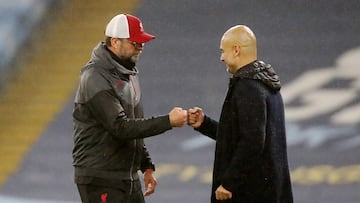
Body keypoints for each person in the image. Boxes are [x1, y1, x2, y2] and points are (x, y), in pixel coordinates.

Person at [72, 14, 187, 203]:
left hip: (124, 177)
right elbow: (120, 127)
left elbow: (134, 124)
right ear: (115, 42)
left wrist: (146, 165)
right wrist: (168, 121)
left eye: (142, 43)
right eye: (135, 43)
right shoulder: (95, 77)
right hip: (101, 177)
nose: (141, 48)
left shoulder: (128, 73)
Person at [188, 25, 293, 203]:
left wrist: (229, 182)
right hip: (271, 191)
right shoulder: (266, 84)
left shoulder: (247, 87)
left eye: (223, 51)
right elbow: (240, 135)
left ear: (236, 50)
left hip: (251, 193)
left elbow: (252, 141)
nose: (221, 58)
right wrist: (205, 123)